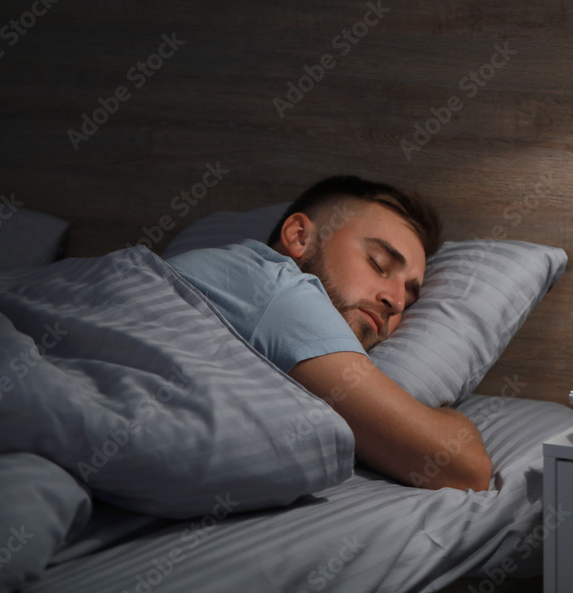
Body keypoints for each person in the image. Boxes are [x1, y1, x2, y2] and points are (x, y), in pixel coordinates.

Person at [167, 175, 492, 492]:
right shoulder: (276, 286)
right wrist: (453, 418)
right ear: (299, 237)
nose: (394, 301)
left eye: (407, 298)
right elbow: (462, 467)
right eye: (379, 264)